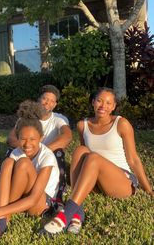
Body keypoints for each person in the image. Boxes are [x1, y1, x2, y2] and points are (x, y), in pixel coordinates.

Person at [42, 87, 153, 235]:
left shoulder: (121, 124)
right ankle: (78, 212)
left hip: (122, 181)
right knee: (80, 151)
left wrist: (149, 190)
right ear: (93, 102)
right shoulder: (83, 125)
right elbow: (83, 159)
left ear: (113, 106)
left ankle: (65, 215)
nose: (103, 106)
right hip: (95, 182)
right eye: (99, 101)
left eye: (108, 103)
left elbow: (133, 159)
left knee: (93, 157)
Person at [0, 100, 60, 245]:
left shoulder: (47, 157)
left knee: (23, 163)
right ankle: (0, 220)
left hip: (40, 204)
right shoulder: (16, 152)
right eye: (23, 139)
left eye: (33, 139)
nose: (27, 144)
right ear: (17, 138)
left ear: (42, 138)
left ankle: (1, 222)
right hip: (21, 199)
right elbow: (6, 182)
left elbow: (34, 198)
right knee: (8, 162)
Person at [7, 84, 72, 200]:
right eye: (45, 98)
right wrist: (27, 149)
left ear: (55, 105)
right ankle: (10, 183)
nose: (47, 103)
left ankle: (58, 193)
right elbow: (11, 139)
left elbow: (67, 136)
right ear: (39, 99)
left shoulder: (58, 119)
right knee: (10, 153)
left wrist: (40, 151)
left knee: (59, 152)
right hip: (25, 153)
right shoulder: (26, 118)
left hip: (46, 157)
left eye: (52, 101)